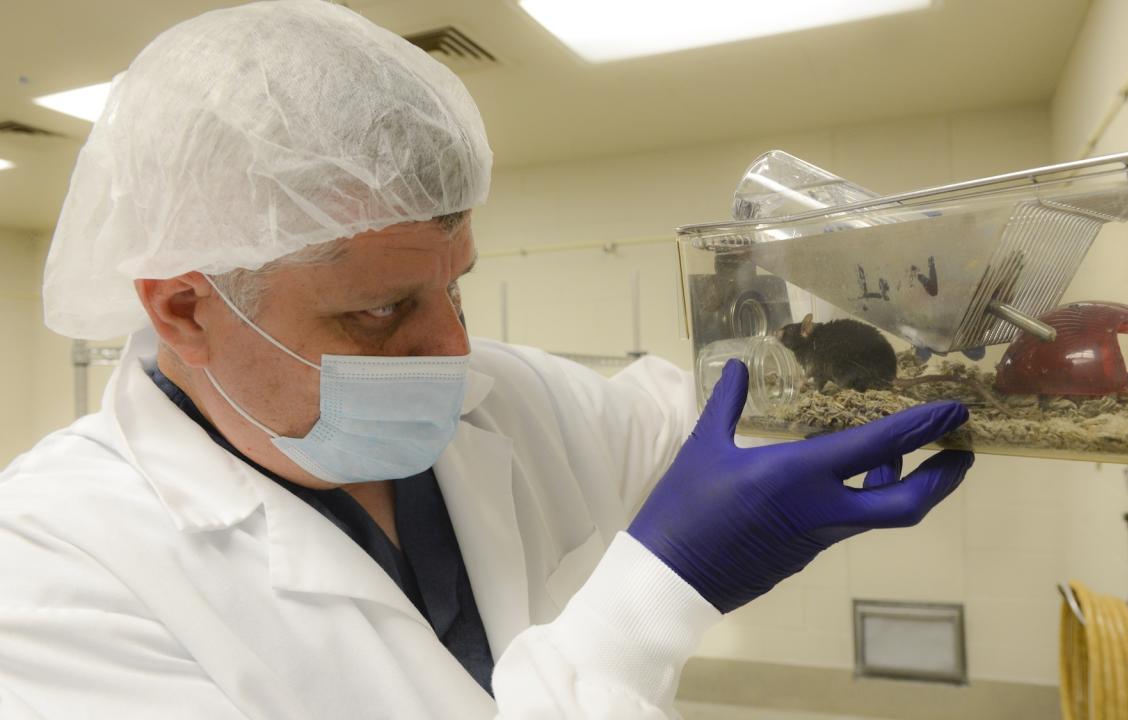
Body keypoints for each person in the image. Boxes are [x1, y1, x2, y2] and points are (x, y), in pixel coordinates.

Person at [0, 2, 975, 717]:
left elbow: (688, 415)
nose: (455, 346)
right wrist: (649, 605)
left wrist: (896, 327)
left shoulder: (502, 403)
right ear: (183, 307)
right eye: (381, 311)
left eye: (453, 284)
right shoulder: (49, 563)